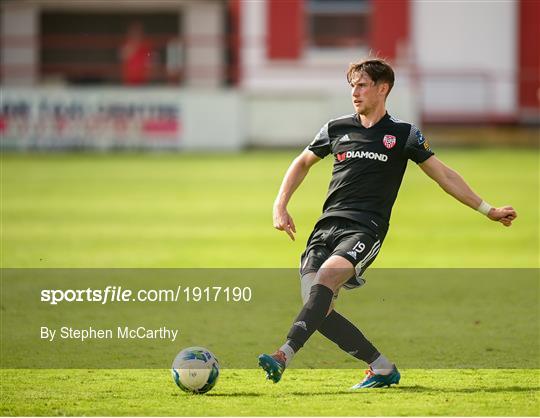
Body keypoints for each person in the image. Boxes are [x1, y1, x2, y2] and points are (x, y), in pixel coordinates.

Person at [257, 58, 517, 389]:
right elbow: (302, 162)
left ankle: (283, 355)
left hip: (365, 229)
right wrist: (280, 205)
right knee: (317, 309)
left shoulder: (403, 134)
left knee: (326, 279)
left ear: (383, 89)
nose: (354, 92)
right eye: (352, 85)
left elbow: (444, 175)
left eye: (362, 84)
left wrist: (487, 209)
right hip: (324, 229)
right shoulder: (336, 128)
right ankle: (381, 367)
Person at [120, 22, 153, 86]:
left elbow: (150, 58)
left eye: (138, 32)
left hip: (143, 82)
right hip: (129, 82)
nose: (136, 34)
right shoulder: (126, 45)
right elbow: (123, 57)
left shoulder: (146, 45)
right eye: (134, 32)